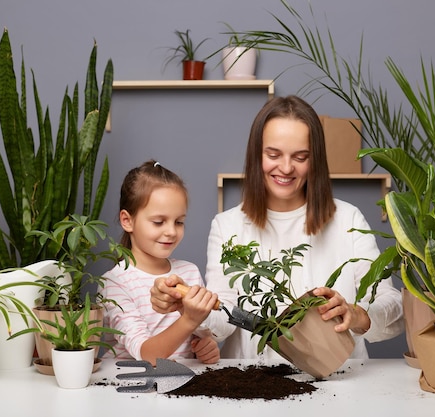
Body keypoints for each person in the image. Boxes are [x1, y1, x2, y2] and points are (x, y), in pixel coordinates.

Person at [150, 96, 404, 361]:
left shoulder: (348, 219)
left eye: (300, 157)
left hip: (340, 382)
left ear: (315, 159)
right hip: (254, 383)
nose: (285, 167)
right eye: (273, 155)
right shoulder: (228, 225)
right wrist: (190, 308)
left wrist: (357, 314)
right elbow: (225, 320)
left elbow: (394, 310)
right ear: (256, 154)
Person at [101, 159, 220, 365]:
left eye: (179, 222)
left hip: (180, 386)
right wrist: (189, 319)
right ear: (127, 220)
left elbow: (199, 331)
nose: (172, 231)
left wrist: (206, 344)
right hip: (131, 387)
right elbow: (147, 355)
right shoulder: (115, 283)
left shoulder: (189, 272)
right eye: (158, 222)